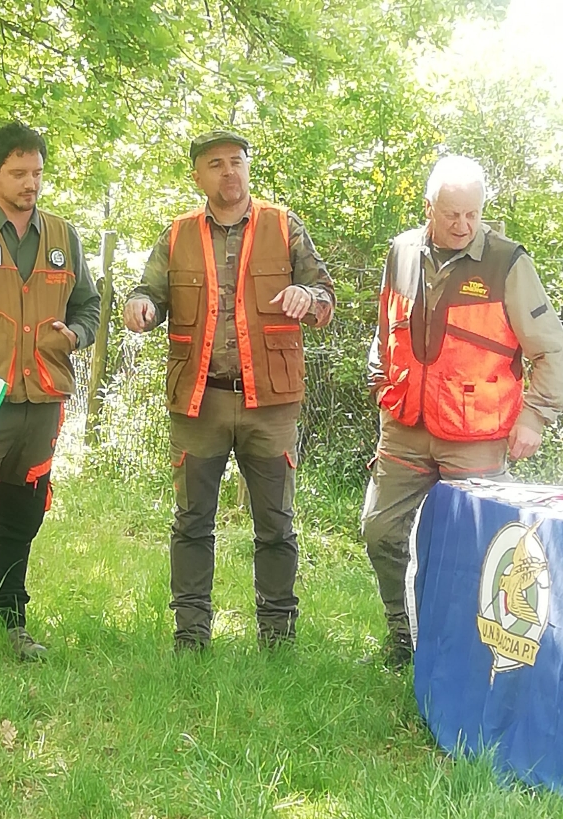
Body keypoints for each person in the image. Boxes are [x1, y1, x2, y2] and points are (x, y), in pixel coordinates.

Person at [124, 130, 335, 650]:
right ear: (198, 176)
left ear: (248, 168)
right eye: (215, 164)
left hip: (271, 404)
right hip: (200, 402)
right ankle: (191, 634)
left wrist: (306, 296)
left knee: (276, 524)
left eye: (236, 162)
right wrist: (141, 308)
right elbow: (148, 294)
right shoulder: (176, 235)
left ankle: (278, 636)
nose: (228, 172)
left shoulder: (284, 227)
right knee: (192, 521)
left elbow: (326, 298)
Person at [362, 155, 563, 669]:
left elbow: (552, 349)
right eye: (451, 214)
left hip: (477, 436)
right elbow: (386, 327)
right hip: (405, 427)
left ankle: (465, 657)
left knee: (475, 552)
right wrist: (378, 374)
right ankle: (402, 638)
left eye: (472, 214)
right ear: (428, 207)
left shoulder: (507, 262)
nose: (463, 225)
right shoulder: (402, 252)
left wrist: (535, 416)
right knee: (380, 532)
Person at [0, 122, 100, 659]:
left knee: (21, 517)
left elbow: (88, 308)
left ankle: (9, 624)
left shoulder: (64, 237)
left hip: (42, 402)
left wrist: (76, 334)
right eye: (17, 173)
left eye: (36, 173)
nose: (29, 183)